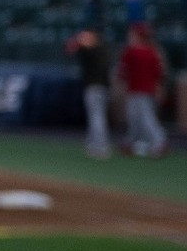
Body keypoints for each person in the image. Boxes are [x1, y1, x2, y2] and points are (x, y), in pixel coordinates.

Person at [118, 23, 168, 158]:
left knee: (143, 118)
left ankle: (159, 142)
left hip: (136, 90)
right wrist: (159, 89)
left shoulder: (131, 51)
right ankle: (131, 143)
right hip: (147, 90)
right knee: (138, 117)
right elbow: (160, 74)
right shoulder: (153, 51)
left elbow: (122, 73)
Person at [68, 27, 112, 159]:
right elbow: (69, 49)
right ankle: (94, 143)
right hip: (98, 87)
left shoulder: (96, 50)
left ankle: (101, 145)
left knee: (97, 117)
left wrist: (80, 42)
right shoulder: (95, 50)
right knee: (95, 116)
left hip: (96, 87)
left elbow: (74, 48)